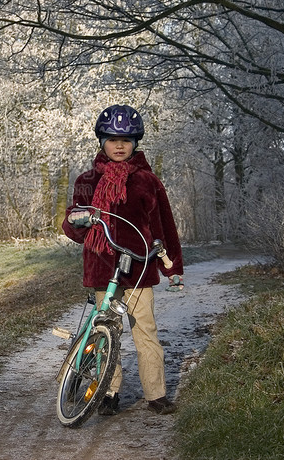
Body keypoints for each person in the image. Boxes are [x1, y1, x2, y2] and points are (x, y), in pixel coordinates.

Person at [62, 104, 184, 416]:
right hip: (103, 268)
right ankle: (107, 393)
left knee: (145, 331)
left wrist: (173, 268)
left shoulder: (147, 181)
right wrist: (78, 218)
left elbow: (164, 227)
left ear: (135, 144)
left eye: (127, 140)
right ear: (101, 141)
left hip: (139, 268)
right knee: (106, 333)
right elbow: (73, 226)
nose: (119, 146)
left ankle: (156, 395)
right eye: (113, 139)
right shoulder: (87, 180)